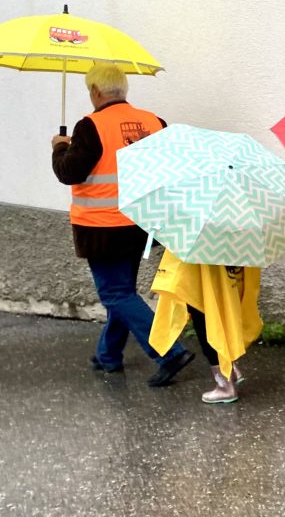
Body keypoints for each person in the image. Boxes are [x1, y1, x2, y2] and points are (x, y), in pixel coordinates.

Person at [51, 62, 193, 386]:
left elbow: (69, 173)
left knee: (115, 294)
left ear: (96, 92)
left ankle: (169, 352)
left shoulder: (90, 126)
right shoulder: (154, 122)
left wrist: (59, 148)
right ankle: (108, 355)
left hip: (103, 228)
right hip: (142, 223)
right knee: (123, 292)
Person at [149, 250, 261, 404]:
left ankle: (225, 385)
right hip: (225, 255)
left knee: (205, 316)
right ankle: (229, 369)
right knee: (222, 311)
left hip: (203, 260)